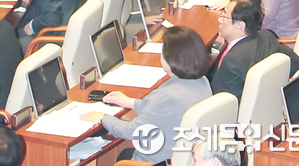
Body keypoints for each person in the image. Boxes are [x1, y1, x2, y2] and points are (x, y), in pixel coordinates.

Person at [91, 26, 212, 165]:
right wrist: (130, 102)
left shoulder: (167, 96)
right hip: (184, 155)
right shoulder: (203, 82)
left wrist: (102, 118)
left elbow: (131, 132)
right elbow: (161, 110)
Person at [207, 0, 299, 100]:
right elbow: (295, 62)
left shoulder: (232, 61)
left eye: (224, 16)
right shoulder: (266, 36)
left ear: (240, 25)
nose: (219, 20)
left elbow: (220, 101)